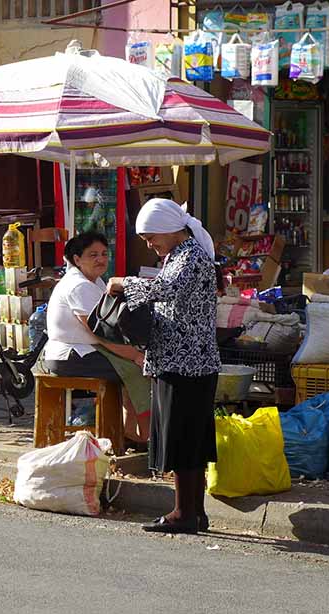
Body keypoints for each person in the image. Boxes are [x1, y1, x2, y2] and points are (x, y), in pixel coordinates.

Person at [106, 198, 220, 535]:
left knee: (185, 440)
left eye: (150, 236)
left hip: (186, 362)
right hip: (185, 360)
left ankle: (183, 514)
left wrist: (125, 284)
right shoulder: (181, 255)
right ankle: (193, 512)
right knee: (190, 440)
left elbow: (167, 289)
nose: (148, 244)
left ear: (170, 229)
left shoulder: (191, 257)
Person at [43, 232, 149, 444]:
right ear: (77, 260)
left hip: (86, 351)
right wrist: (136, 355)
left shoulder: (95, 281)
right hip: (71, 356)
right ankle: (143, 434)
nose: (101, 259)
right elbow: (101, 334)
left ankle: (131, 431)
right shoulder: (79, 285)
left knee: (137, 365)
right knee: (138, 369)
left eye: (103, 253)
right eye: (93, 255)